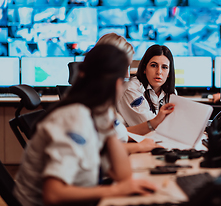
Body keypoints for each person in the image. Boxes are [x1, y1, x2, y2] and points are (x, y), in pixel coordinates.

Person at [13, 44, 157, 206]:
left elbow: (122, 175)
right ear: (117, 83)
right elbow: (53, 194)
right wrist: (116, 190)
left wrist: (109, 128)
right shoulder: (73, 118)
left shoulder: (100, 112)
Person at [95, 33, 175, 152]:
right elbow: (103, 149)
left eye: (164, 67)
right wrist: (139, 146)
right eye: (123, 67)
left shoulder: (104, 102)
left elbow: (119, 134)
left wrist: (154, 122)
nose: (127, 75)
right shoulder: (90, 107)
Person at [117, 44, 176, 135]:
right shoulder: (131, 89)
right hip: (132, 142)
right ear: (144, 68)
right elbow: (148, 126)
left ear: (169, 73)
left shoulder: (171, 93)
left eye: (164, 67)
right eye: (153, 65)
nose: (159, 72)